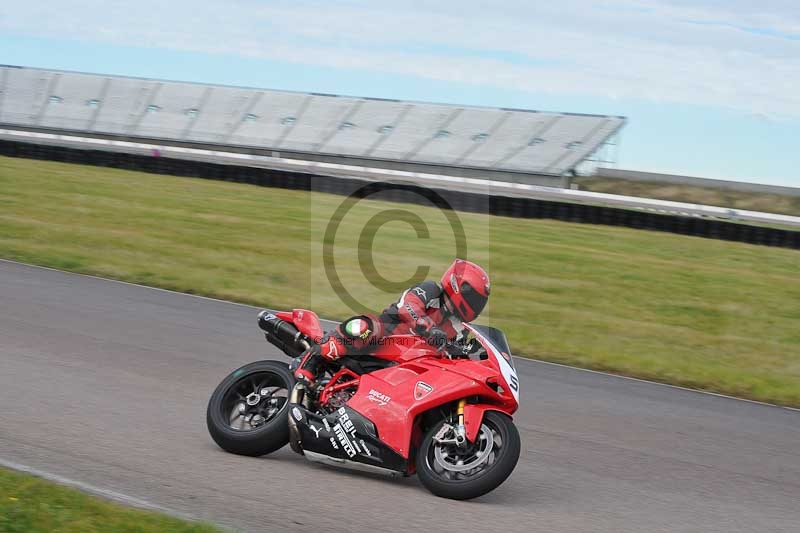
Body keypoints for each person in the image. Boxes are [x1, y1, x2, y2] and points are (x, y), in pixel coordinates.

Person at [294, 258, 491, 384]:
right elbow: (409, 307)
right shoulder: (432, 290)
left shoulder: (459, 327)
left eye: (480, 301)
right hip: (383, 340)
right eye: (475, 298)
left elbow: (472, 353)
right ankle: (311, 360)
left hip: (406, 364)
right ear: (458, 287)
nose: (477, 304)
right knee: (367, 327)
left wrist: (485, 366)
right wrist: (429, 328)